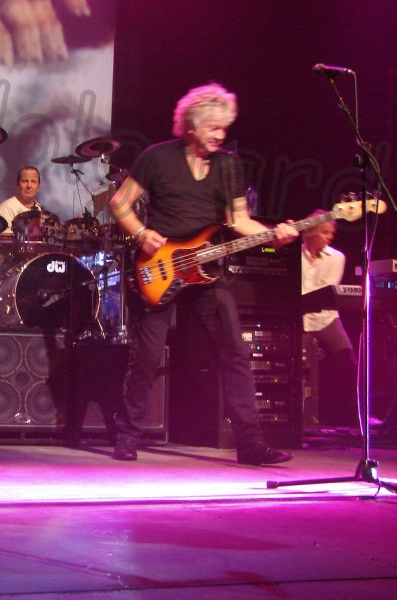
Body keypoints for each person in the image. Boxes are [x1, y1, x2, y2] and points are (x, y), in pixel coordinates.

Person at [108, 82, 298, 465]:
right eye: (213, 127)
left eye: (224, 128)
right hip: (160, 268)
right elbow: (119, 203)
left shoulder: (228, 165)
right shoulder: (157, 157)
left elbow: (238, 220)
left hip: (207, 271)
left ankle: (251, 444)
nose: (220, 135)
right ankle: (127, 435)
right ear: (191, 124)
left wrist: (272, 235)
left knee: (235, 353)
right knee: (146, 356)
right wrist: (142, 234)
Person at [301, 215, 359, 426]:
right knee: (300, 366)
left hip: (326, 317)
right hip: (299, 318)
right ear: (310, 233)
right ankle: (302, 416)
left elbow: (326, 292)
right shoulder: (295, 255)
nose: (330, 237)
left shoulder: (337, 257)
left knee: (349, 362)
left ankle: (357, 415)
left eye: (332, 233)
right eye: (325, 232)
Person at [0, 166, 45, 235]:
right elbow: (5, 238)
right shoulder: (7, 207)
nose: (29, 186)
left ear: (38, 187)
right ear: (18, 184)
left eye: (33, 181)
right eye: (25, 181)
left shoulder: (40, 209)